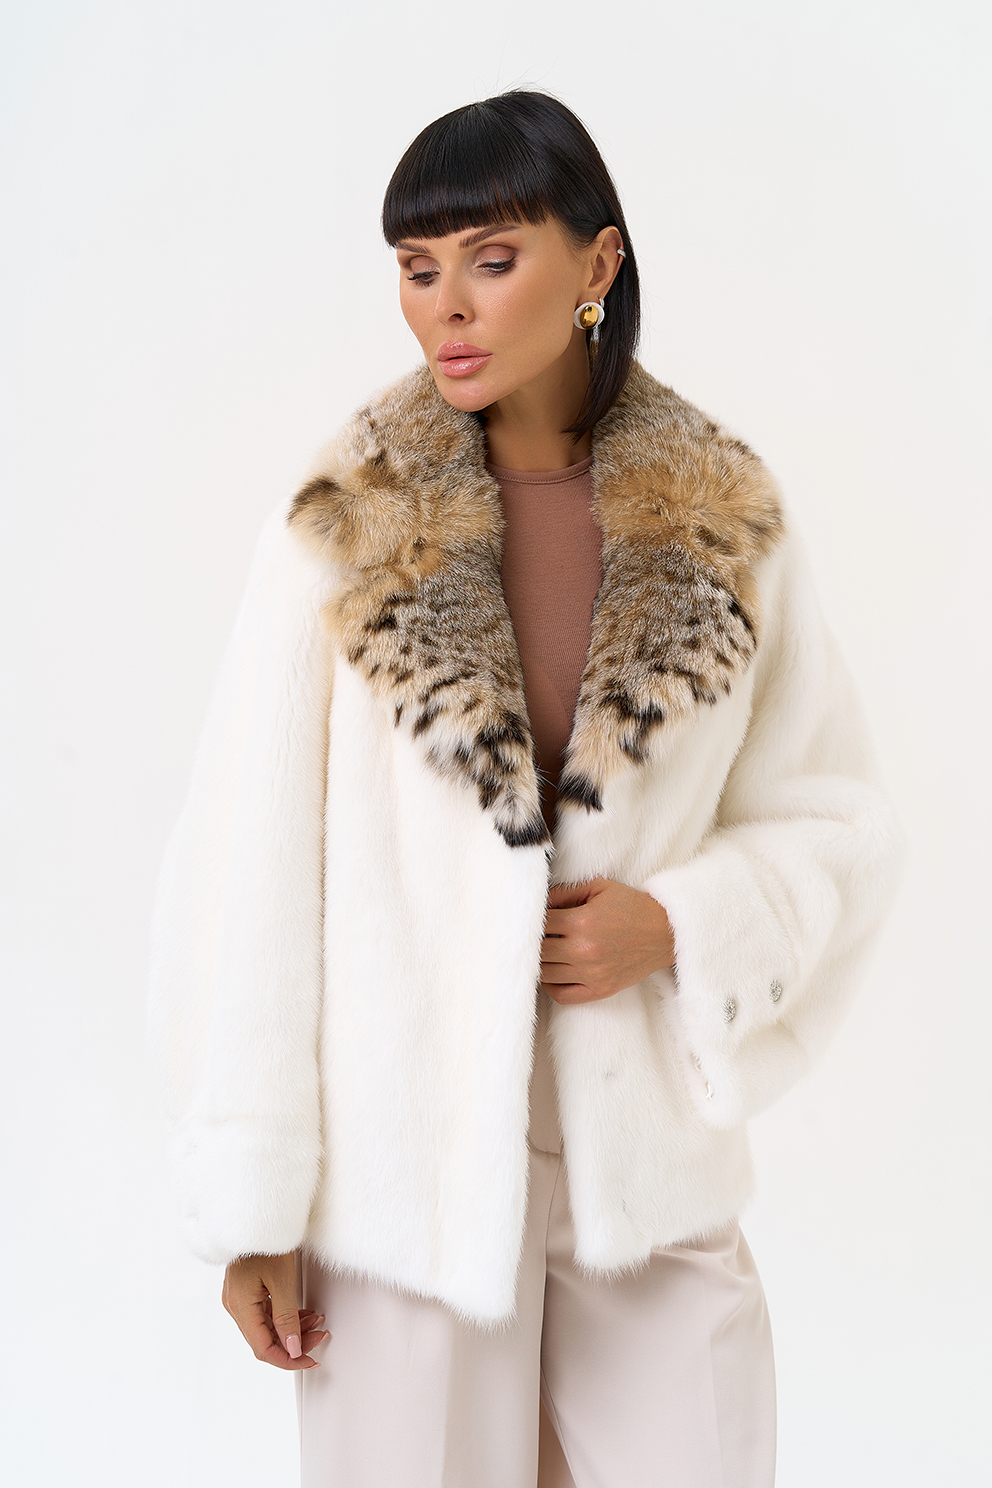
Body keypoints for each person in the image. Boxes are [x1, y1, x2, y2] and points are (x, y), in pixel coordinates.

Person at [149, 91, 902, 1488]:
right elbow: (248, 862)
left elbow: (837, 821)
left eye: (491, 261)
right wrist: (255, 1198)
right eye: (416, 268)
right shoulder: (344, 525)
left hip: (645, 1173)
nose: (446, 307)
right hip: (405, 1177)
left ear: (597, 264)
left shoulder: (726, 520)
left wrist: (680, 923)